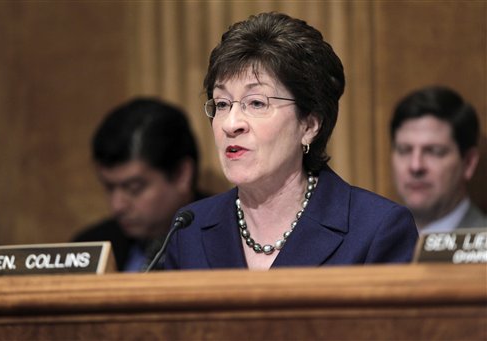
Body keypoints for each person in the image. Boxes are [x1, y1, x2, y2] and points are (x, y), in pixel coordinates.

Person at [164, 12, 418, 271]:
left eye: (256, 103)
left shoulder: (377, 229)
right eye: (222, 104)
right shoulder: (190, 229)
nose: (231, 124)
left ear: (309, 125)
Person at [72, 98, 205, 271]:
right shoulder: (89, 248)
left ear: (181, 175)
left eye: (134, 188)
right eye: (109, 188)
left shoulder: (229, 239)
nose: (117, 206)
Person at [390, 85, 486, 233]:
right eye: (404, 150)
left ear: (468, 163)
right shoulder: (373, 241)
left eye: (434, 151)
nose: (415, 166)